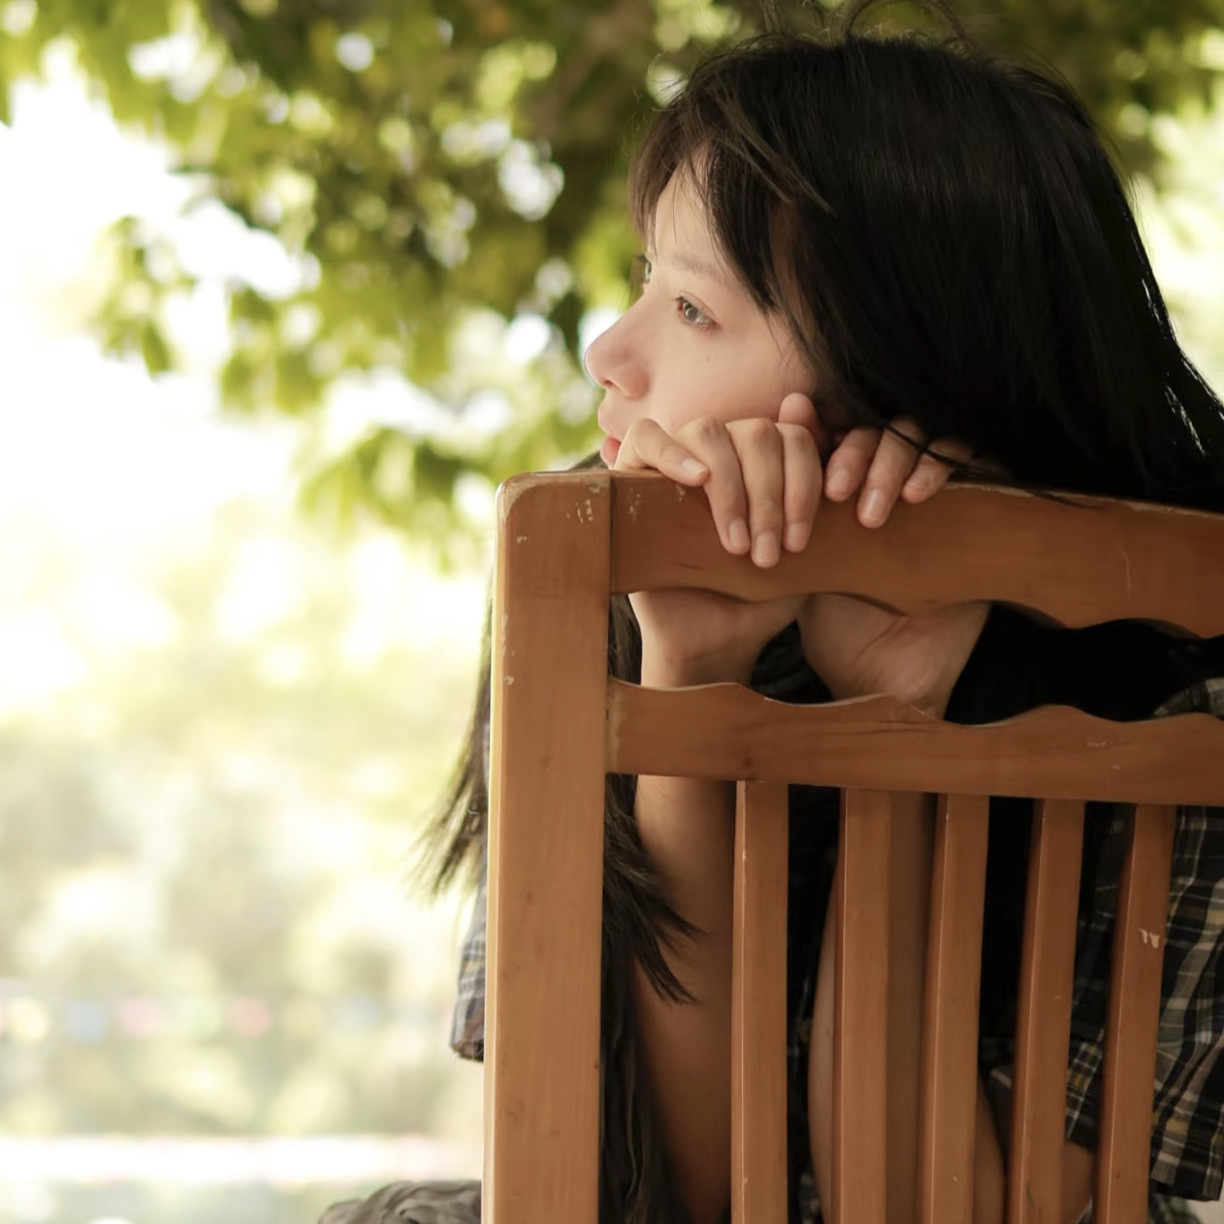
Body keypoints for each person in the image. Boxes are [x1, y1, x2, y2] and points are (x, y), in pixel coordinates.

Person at [428, 3, 1224, 1222]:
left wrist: (894, 726)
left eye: (692, 311)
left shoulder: (1182, 696)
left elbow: (953, 1212)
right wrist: (690, 679)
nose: (609, 352)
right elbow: (662, 1191)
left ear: (904, 386)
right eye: (648, 281)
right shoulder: (594, 579)